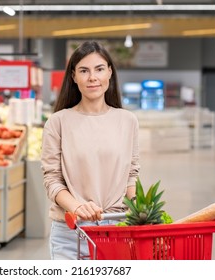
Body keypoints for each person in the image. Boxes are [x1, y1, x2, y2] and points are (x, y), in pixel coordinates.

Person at [41, 41, 140, 260]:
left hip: (117, 228)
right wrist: (76, 207)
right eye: (84, 71)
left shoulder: (128, 120)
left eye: (99, 69)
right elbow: (52, 181)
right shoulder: (58, 122)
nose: (92, 77)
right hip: (71, 233)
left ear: (110, 73)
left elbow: (131, 175)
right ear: (74, 77)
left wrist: (141, 208)